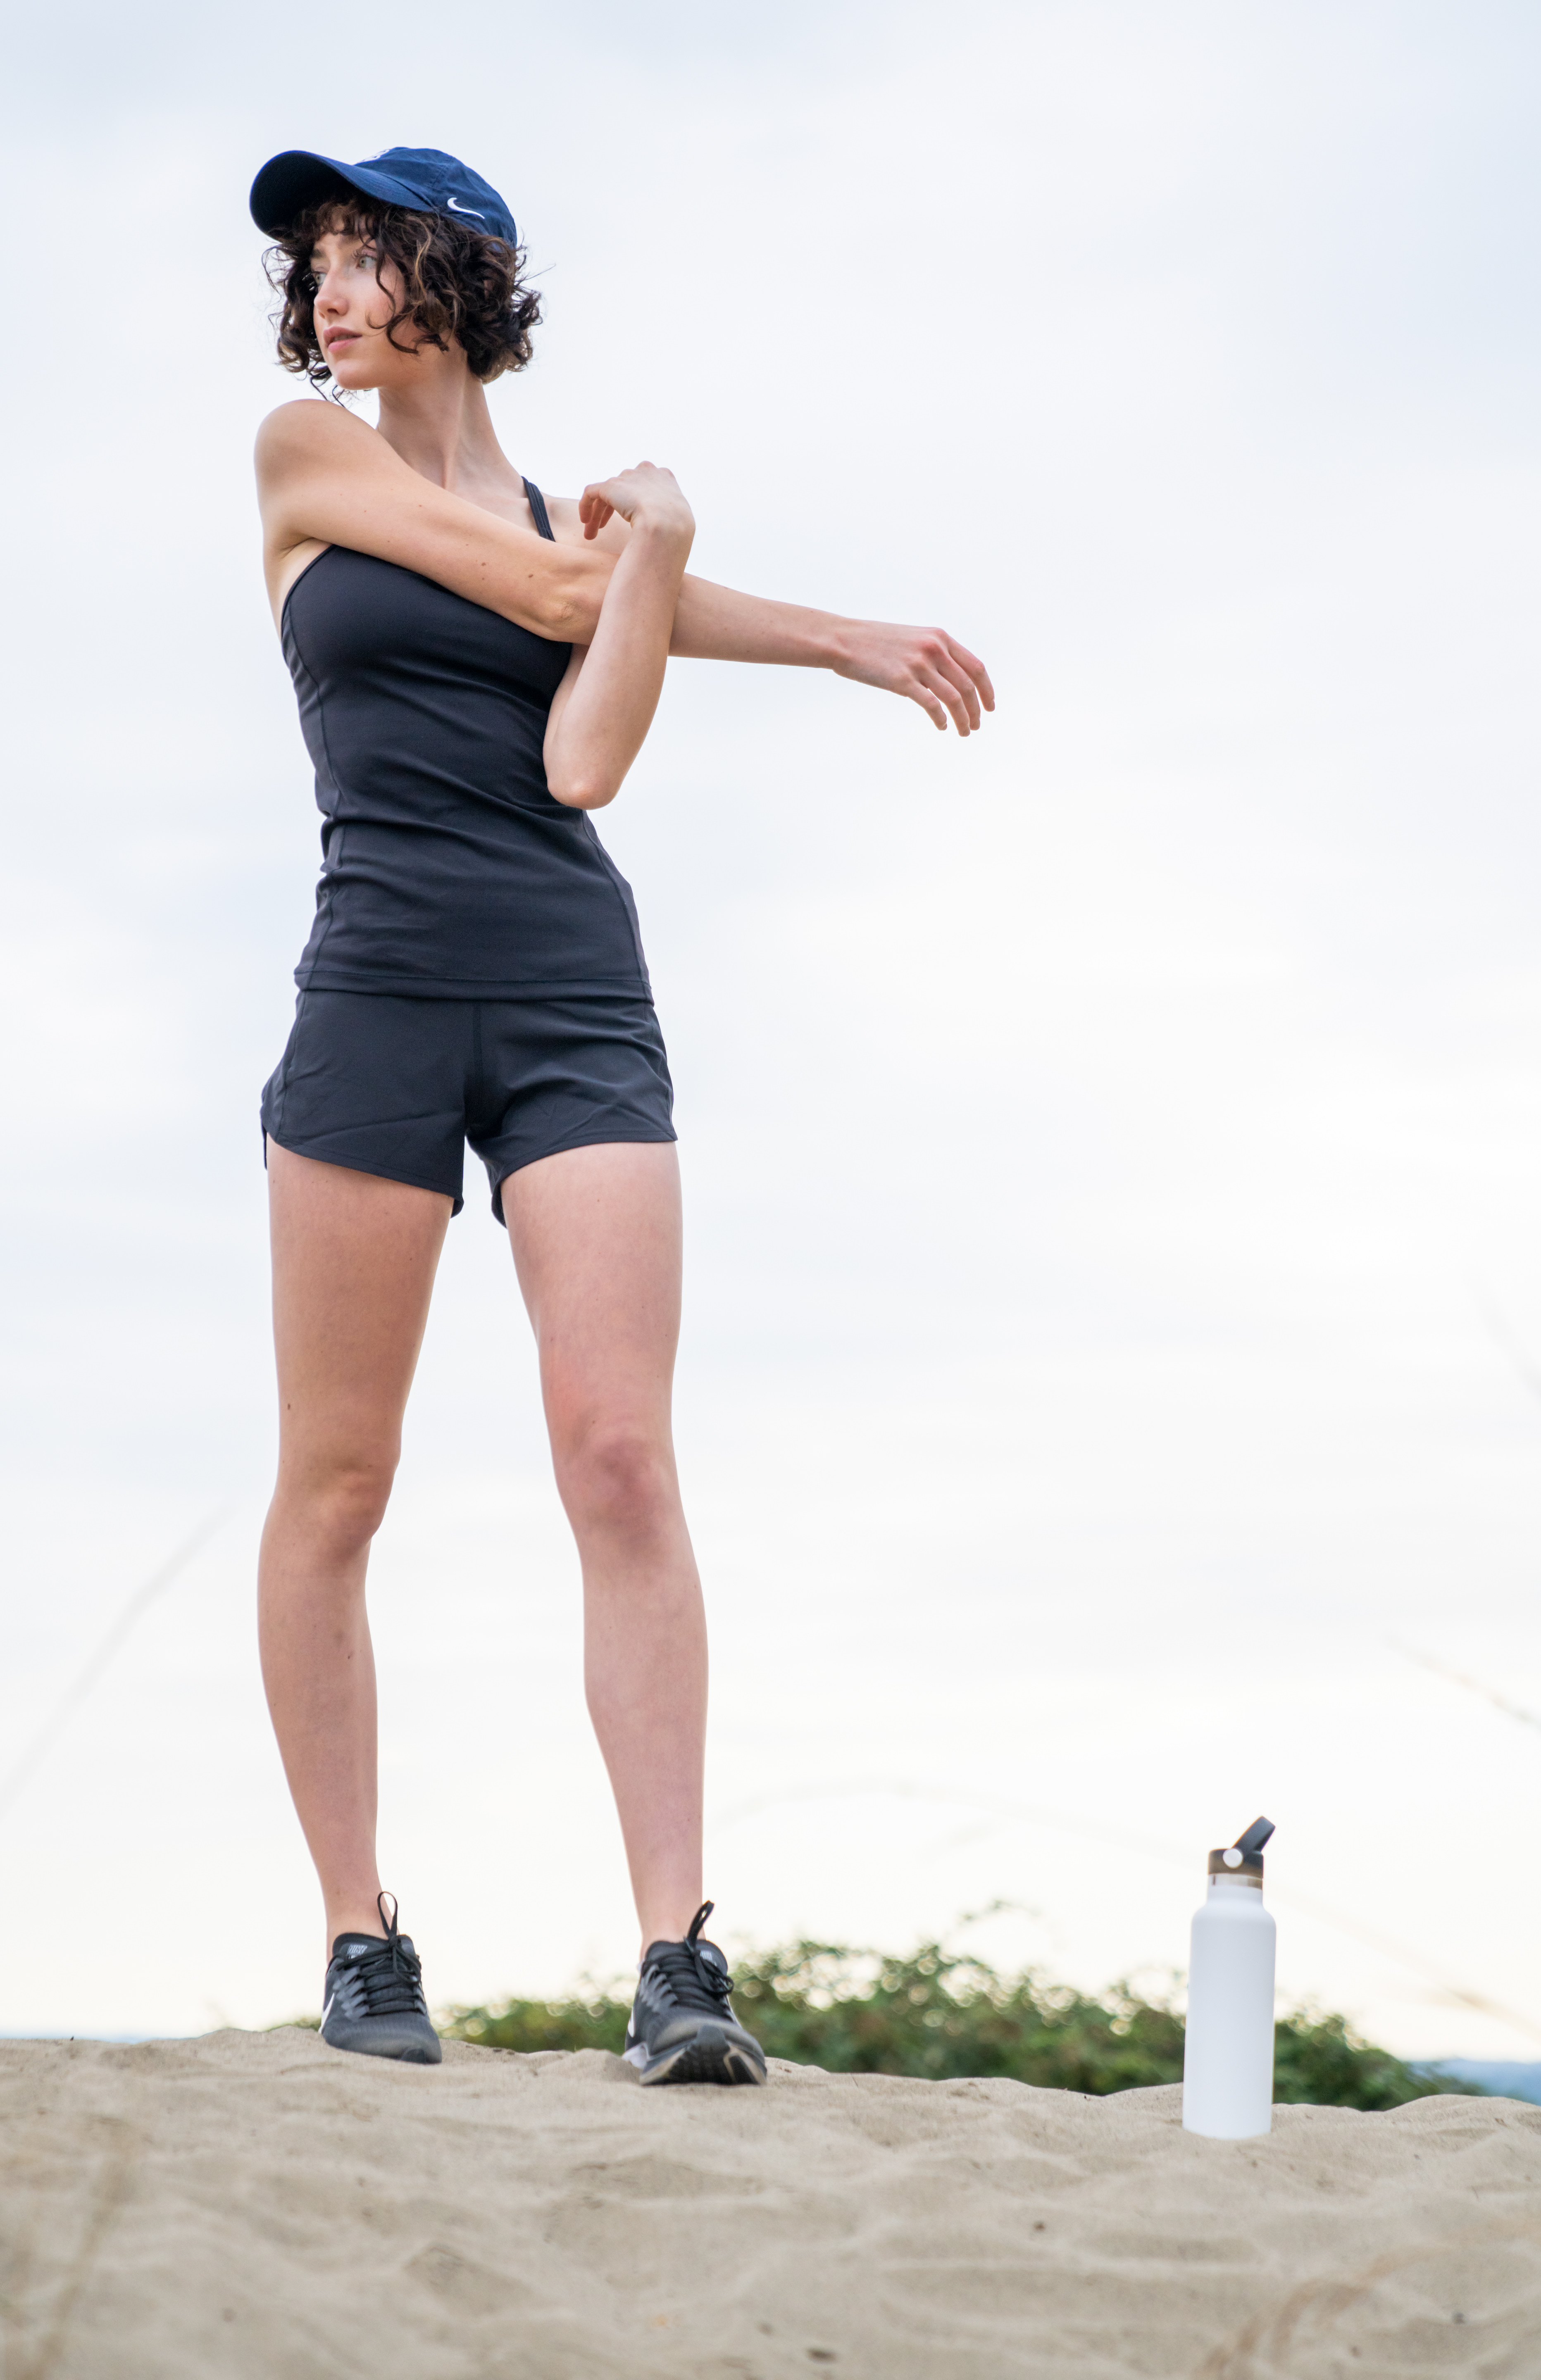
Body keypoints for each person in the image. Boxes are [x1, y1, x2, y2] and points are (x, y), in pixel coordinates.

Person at [248, 143, 993, 2084]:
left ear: (463, 275)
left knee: (621, 1459)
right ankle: (360, 1936)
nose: (330, 289)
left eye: (367, 251)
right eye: (314, 261)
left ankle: (677, 1956)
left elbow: (588, 755)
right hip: (374, 988)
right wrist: (703, 562)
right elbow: (562, 585)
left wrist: (738, 591)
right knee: (340, 1481)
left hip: (574, 993)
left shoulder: (570, 521)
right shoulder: (307, 459)